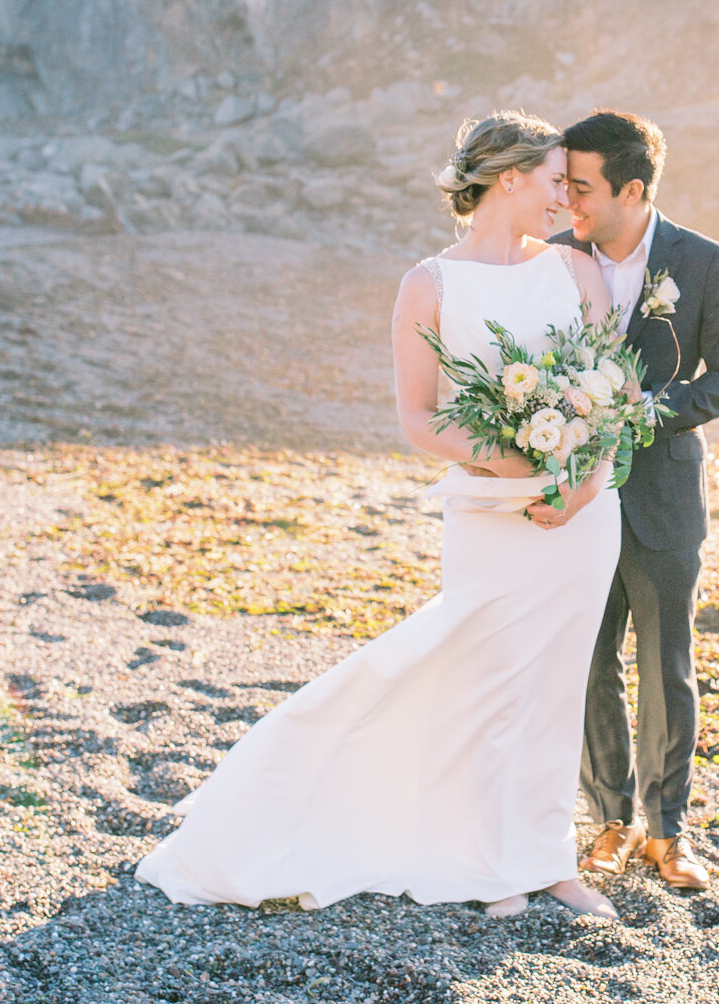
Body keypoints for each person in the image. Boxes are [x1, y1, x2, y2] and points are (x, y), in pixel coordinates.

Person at [136, 111, 621, 920]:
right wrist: (511, 458)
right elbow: (421, 419)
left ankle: (549, 860)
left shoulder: (578, 273)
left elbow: (611, 394)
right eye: (552, 180)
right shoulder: (429, 283)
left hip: (581, 516)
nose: (564, 197)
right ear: (509, 178)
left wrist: (582, 478)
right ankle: (486, 864)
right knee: (485, 689)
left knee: (555, 688)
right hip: (490, 512)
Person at [547, 110, 719, 891]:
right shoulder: (551, 259)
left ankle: (668, 831)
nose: (566, 198)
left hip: (664, 494)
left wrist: (651, 407)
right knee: (586, 657)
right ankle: (610, 818)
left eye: (581, 186)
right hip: (577, 495)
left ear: (632, 188)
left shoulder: (702, 261)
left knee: (668, 666)